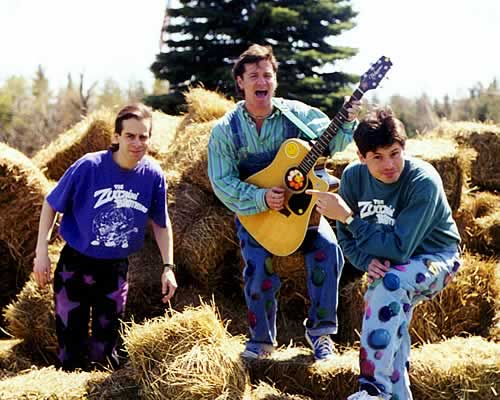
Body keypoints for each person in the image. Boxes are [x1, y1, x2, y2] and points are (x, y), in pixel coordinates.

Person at [207, 44, 360, 361]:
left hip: (304, 214)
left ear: (274, 80)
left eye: (267, 74)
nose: (261, 81)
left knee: (328, 252)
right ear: (241, 82)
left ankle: (321, 335)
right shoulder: (226, 130)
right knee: (258, 269)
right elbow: (222, 182)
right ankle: (261, 341)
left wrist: (347, 120)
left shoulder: (299, 115)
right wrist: (261, 197)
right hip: (256, 214)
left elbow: (335, 142)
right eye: (253, 76)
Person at [307, 108, 461, 399]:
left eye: (394, 153)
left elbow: (398, 249)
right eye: (377, 157)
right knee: (394, 329)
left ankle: (372, 390)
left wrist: (349, 217)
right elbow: (346, 239)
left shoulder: (423, 181)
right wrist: (366, 261)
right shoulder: (353, 178)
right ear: (361, 157)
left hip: (438, 257)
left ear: (404, 148)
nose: (389, 164)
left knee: (388, 284)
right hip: (394, 263)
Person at [33, 103, 177, 371]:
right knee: (70, 344)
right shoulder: (89, 166)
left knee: (107, 348)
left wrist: (168, 267)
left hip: (115, 269)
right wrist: (41, 252)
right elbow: (51, 203)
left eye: (143, 136)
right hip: (76, 265)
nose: (137, 143)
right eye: (130, 136)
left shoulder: (153, 175)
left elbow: (161, 222)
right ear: (116, 137)